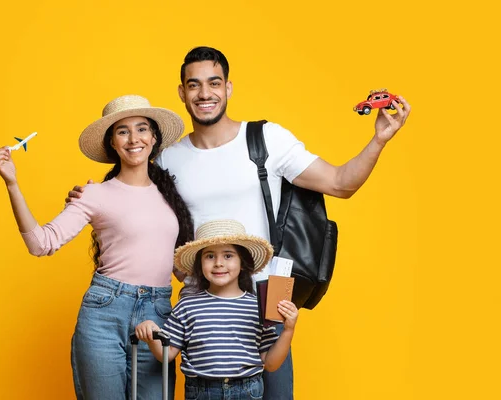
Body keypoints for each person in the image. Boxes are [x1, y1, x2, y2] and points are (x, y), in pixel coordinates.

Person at [67, 46, 412, 399]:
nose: (204, 94)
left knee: (275, 393)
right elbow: (132, 195)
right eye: (194, 85)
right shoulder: (169, 159)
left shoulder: (266, 139)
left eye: (214, 83)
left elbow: (341, 183)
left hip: (270, 290)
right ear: (182, 93)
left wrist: (378, 140)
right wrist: (89, 197)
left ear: (228, 88)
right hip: (202, 300)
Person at [0, 94, 194, 400]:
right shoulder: (94, 194)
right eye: (122, 131)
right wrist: (12, 184)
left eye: (141, 129)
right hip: (104, 314)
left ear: (154, 137)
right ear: (112, 143)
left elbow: (180, 267)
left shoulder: (172, 195)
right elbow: (40, 244)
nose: (133, 138)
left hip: (158, 313)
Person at [135, 219, 299, 400]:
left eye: (228, 255)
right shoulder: (187, 306)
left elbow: (270, 363)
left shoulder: (257, 306)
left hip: (247, 391)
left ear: (242, 262)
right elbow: (167, 355)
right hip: (201, 392)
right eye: (210, 256)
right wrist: (152, 334)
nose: (219, 263)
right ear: (200, 264)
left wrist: (288, 330)